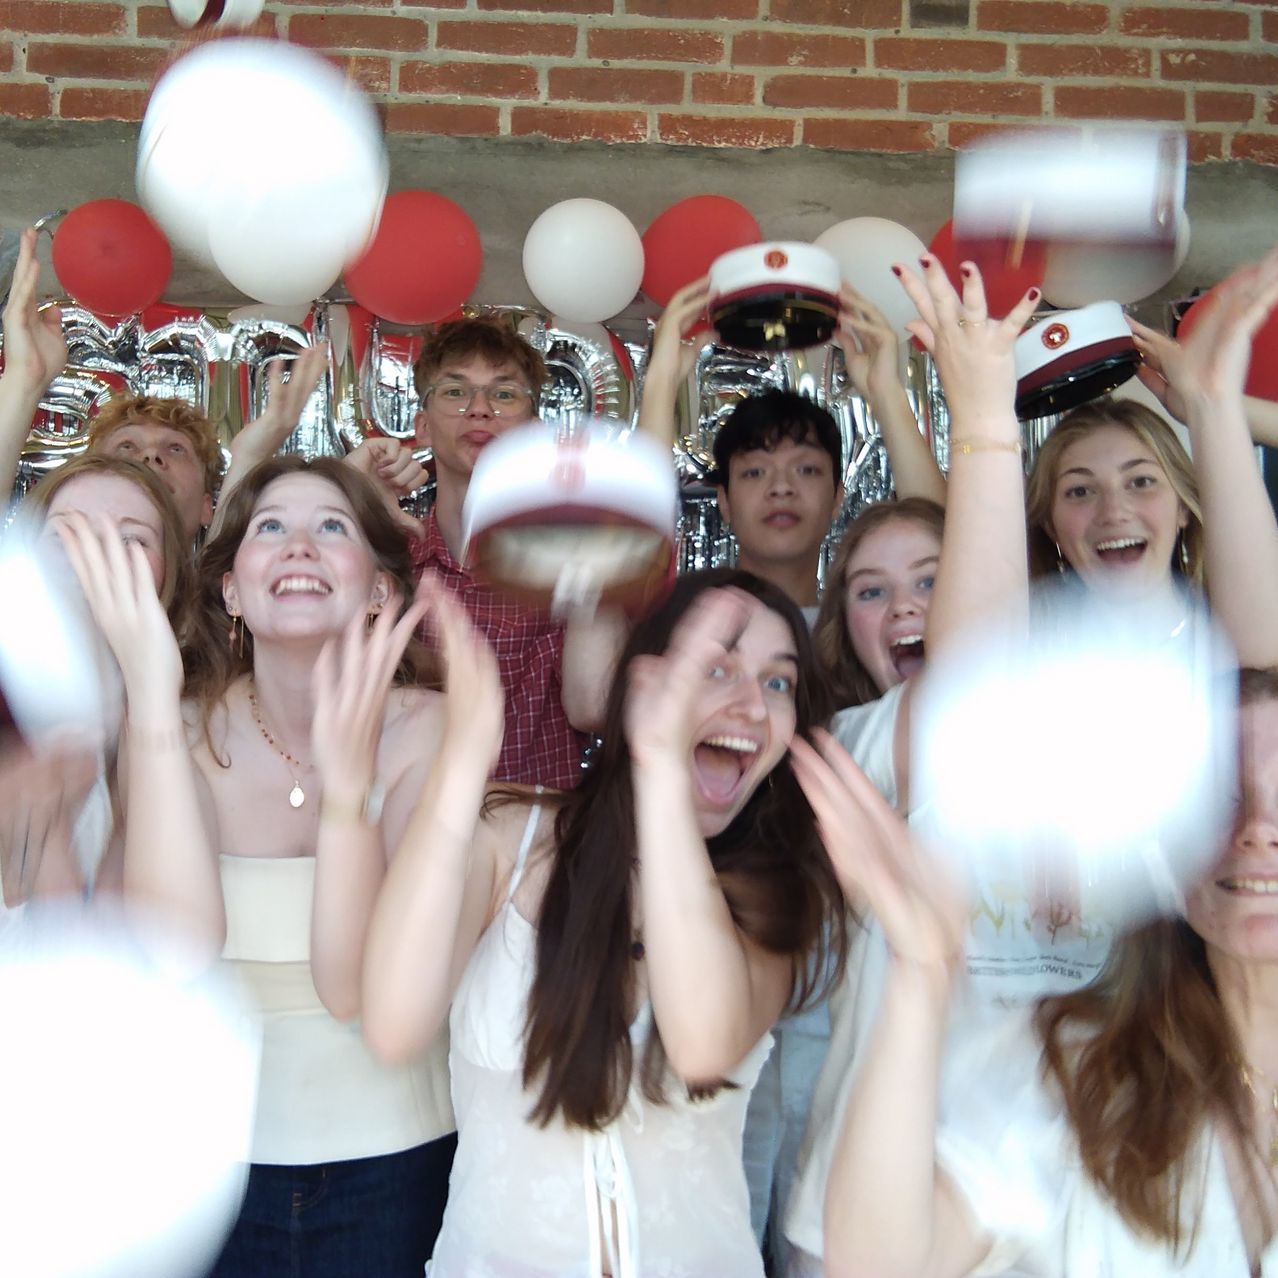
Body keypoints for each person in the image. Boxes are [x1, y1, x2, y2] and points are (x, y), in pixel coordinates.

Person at [357, 568, 848, 1277]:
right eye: (716, 668)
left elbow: (703, 1044)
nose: (750, 704)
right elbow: (394, 1023)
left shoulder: (775, 892)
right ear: (640, 683)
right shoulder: (513, 837)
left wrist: (661, 770)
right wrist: (465, 753)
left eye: (778, 682)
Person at [58, 455, 460, 1277]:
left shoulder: (433, 729)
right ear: (231, 590)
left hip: (399, 1164)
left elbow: (376, 978)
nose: (298, 545)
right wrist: (152, 698)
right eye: (270, 527)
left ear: (380, 591)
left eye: (331, 527)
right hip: (202, 1166)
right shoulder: (179, 727)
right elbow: (165, 947)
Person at [805, 664, 1278, 1278]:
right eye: (1222, 798)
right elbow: (881, 1267)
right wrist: (921, 973)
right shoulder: (1082, 1066)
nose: (1258, 830)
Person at [408, 315, 623, 789]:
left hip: (533, 819)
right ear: (422, 426)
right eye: (455, 392)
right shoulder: (391, 555)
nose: (479, 409)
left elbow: (594, 706)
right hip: (411, 821)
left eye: (504, 394)